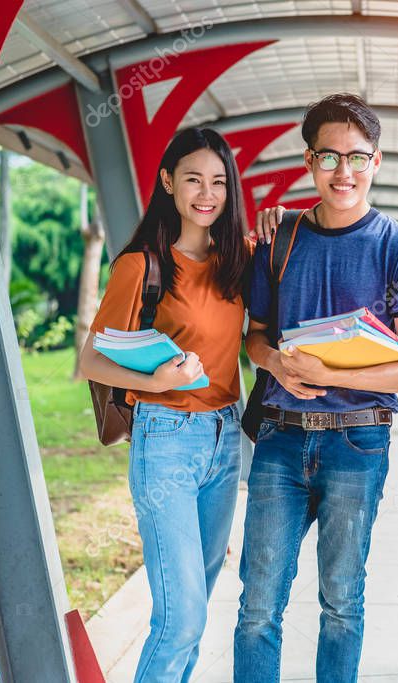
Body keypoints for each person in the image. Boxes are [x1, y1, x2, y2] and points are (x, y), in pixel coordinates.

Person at [233, 93, 398, 682]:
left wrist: (330, 375)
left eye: (357, 157)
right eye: (329, 157)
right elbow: (256, 337)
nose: (342, 171)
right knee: (257, 608)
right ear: (308, 161)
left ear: (377, 162)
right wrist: (276, 361)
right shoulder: (282, 237)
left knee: (341, 604)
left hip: (359, 443)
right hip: (280, 438)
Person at [79, 126, 261, 682]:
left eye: (218, 182)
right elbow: (92, 360)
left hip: (225, 441)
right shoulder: (141, 265)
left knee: (196, 609)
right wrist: (157, 384)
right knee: (179, 617)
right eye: (192, 180)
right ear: (167, 183)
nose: (206, 194)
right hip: (166, 440)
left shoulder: (240, 261)